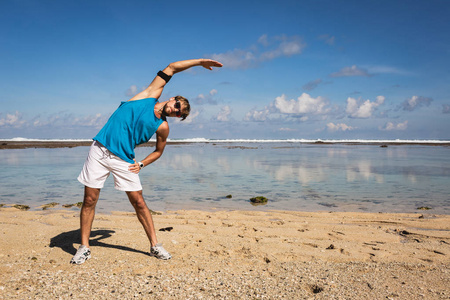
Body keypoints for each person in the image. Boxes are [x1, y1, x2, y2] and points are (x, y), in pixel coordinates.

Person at [70, 58, 223, 264]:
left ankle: (154, 246)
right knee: (89, 199)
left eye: (179, 113)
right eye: (177, 105)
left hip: (124, 158)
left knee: (139, 202)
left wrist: (141, 163)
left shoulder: (162, 127)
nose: (175, 110)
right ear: (172, 98)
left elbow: (159, 151)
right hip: (99, 150)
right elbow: (172, 67)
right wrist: (199, 62)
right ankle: (84, 247)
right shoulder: (149, 95)